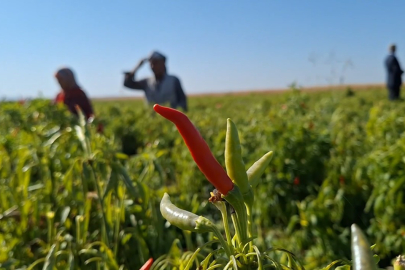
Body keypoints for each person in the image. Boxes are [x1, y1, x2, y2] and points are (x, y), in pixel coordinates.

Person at [123, 51, 188, 111]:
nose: (152, 66)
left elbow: (182, 101)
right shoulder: (147, 82)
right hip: (152, 120)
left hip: (170, 120)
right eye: (151, 64)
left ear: (163, 63)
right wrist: (136, 68)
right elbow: (128, 84)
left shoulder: (174, 80)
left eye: (155, 63)